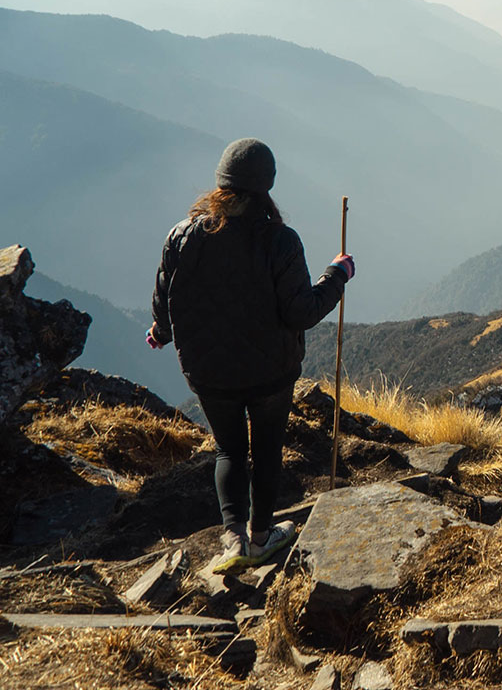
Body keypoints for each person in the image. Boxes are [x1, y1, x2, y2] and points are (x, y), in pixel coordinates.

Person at [148, 138, 353, 573]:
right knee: (266, 450)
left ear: (221, 182)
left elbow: (167, 298)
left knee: (228, 450)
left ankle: (232, 537)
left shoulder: (182, 236)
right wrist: (337, 275)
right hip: (270, 373)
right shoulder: (280, 241)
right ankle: (261, 538)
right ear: (267, 185)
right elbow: (301, 311)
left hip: (209, 372)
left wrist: (162, 333)